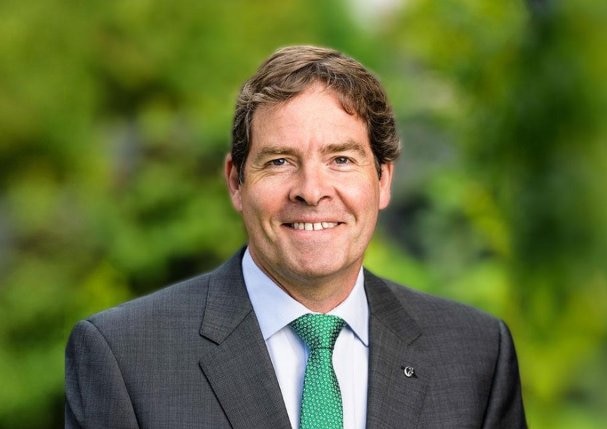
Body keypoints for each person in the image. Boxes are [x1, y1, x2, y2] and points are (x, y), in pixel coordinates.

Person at [65, 45, 527, 428]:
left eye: (341, 159)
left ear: (384, 180)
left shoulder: (476, 356)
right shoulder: (123, 358)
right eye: (280, 161)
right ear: (235, 182)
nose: (311, 191)